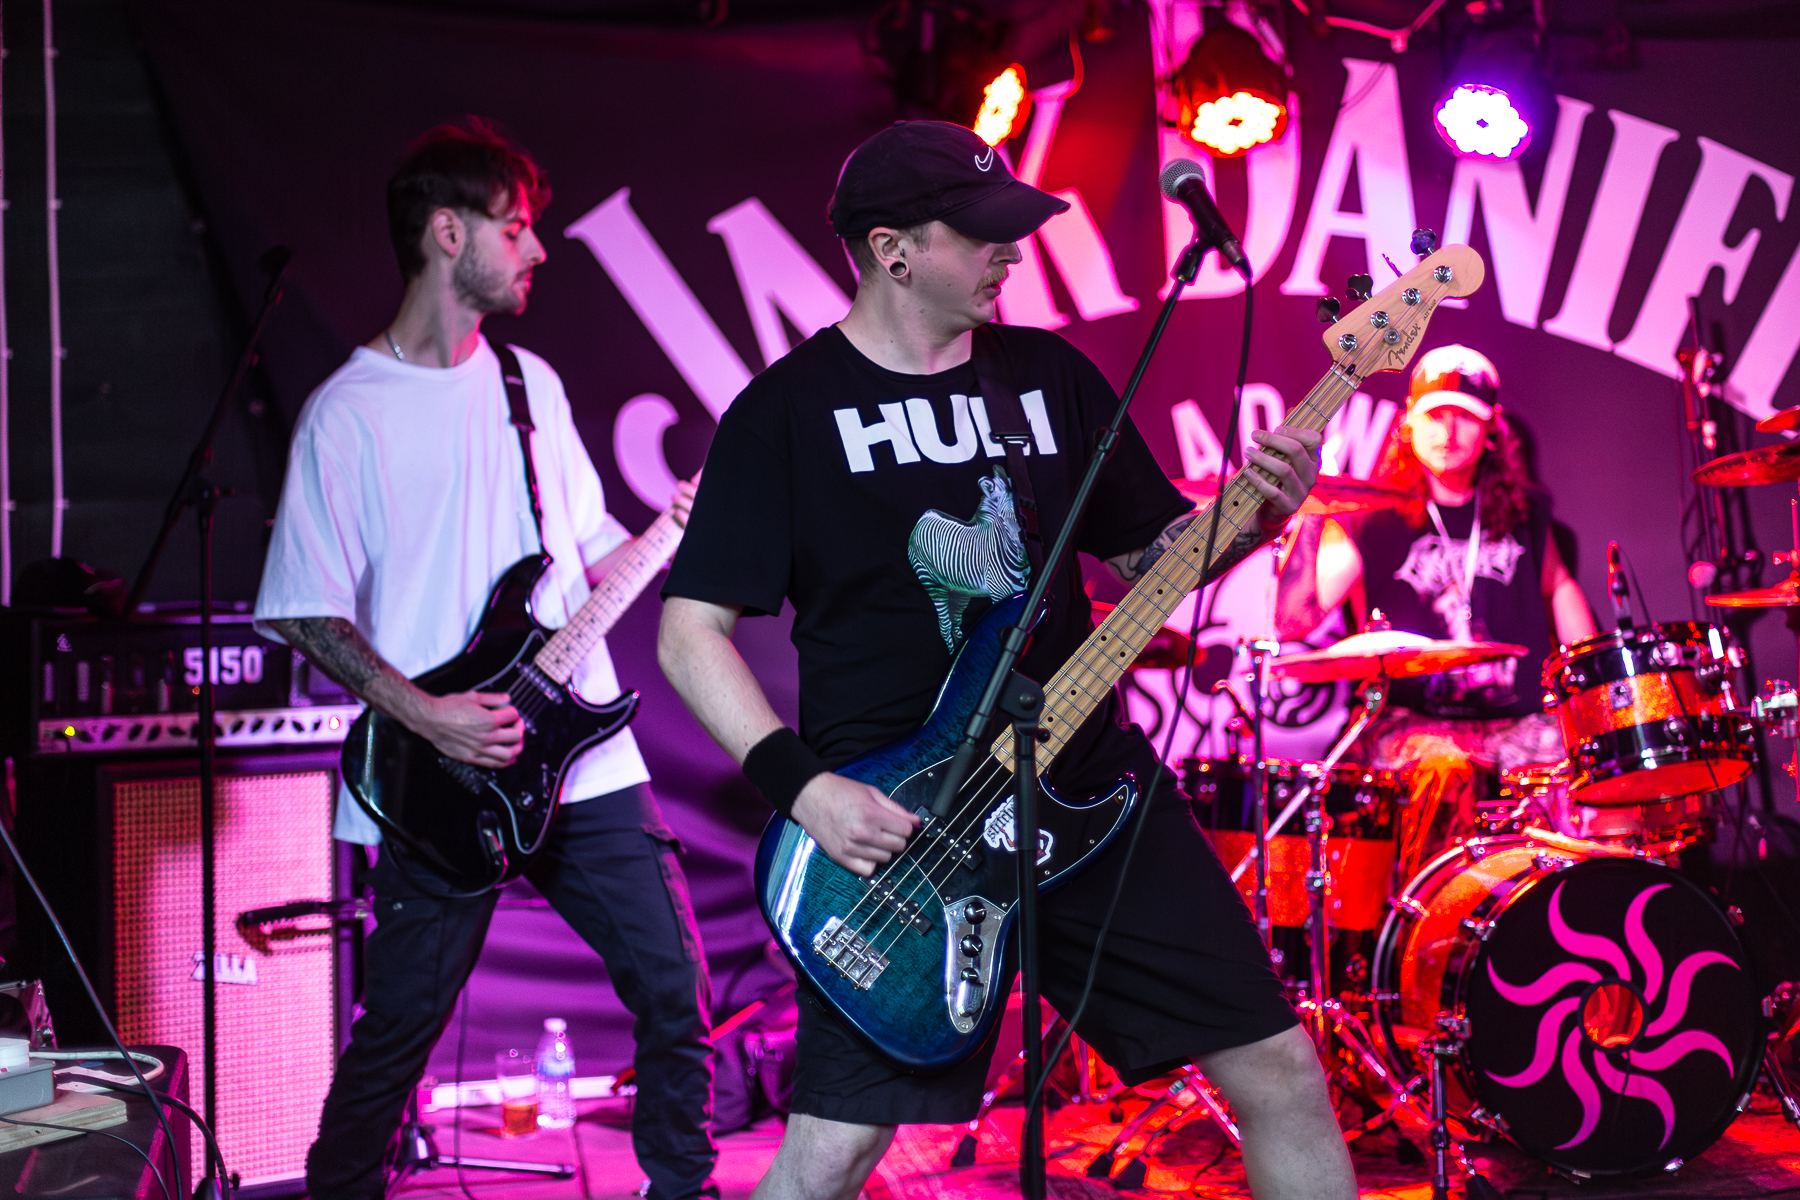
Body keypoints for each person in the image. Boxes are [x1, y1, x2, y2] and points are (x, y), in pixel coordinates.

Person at [656, 120, 1355, 1200]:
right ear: (893, 251)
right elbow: (688, 630)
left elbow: (1149, 559)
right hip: (906, 831)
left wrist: (1260, 516)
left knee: (1282, 1074)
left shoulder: (1046, 375)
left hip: (1087, 795)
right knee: (835, 1150)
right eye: (981, 232)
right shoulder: (785, 414)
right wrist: (806, 792)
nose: (1011, 252)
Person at [252, 119, 716, 1200]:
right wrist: (430, 714)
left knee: (675, 988)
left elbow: (584, 554)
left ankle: (683, 1187)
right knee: (399, 1029)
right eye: (515, 228)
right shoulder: (345, 416)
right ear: (448, 233)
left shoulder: (527, 384)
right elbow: (304, 611)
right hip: (441, 776)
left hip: (580, 754)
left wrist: (675, 530)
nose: (537, 248)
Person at [1275, 344, 1597, 879]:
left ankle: (1557, 915)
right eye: (1435, 415)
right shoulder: (1369, 517)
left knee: (1583, 763)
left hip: (1514, 719)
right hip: (1411, 720)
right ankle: (1431, 918)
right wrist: (1311, 511)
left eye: (1464, 416)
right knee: (1442, 771)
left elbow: (1559, 587)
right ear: (1408, 423)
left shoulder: (1525, 513)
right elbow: (1294, 620)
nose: (1448, 431)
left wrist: (1586, 695)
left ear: (1491, 427)